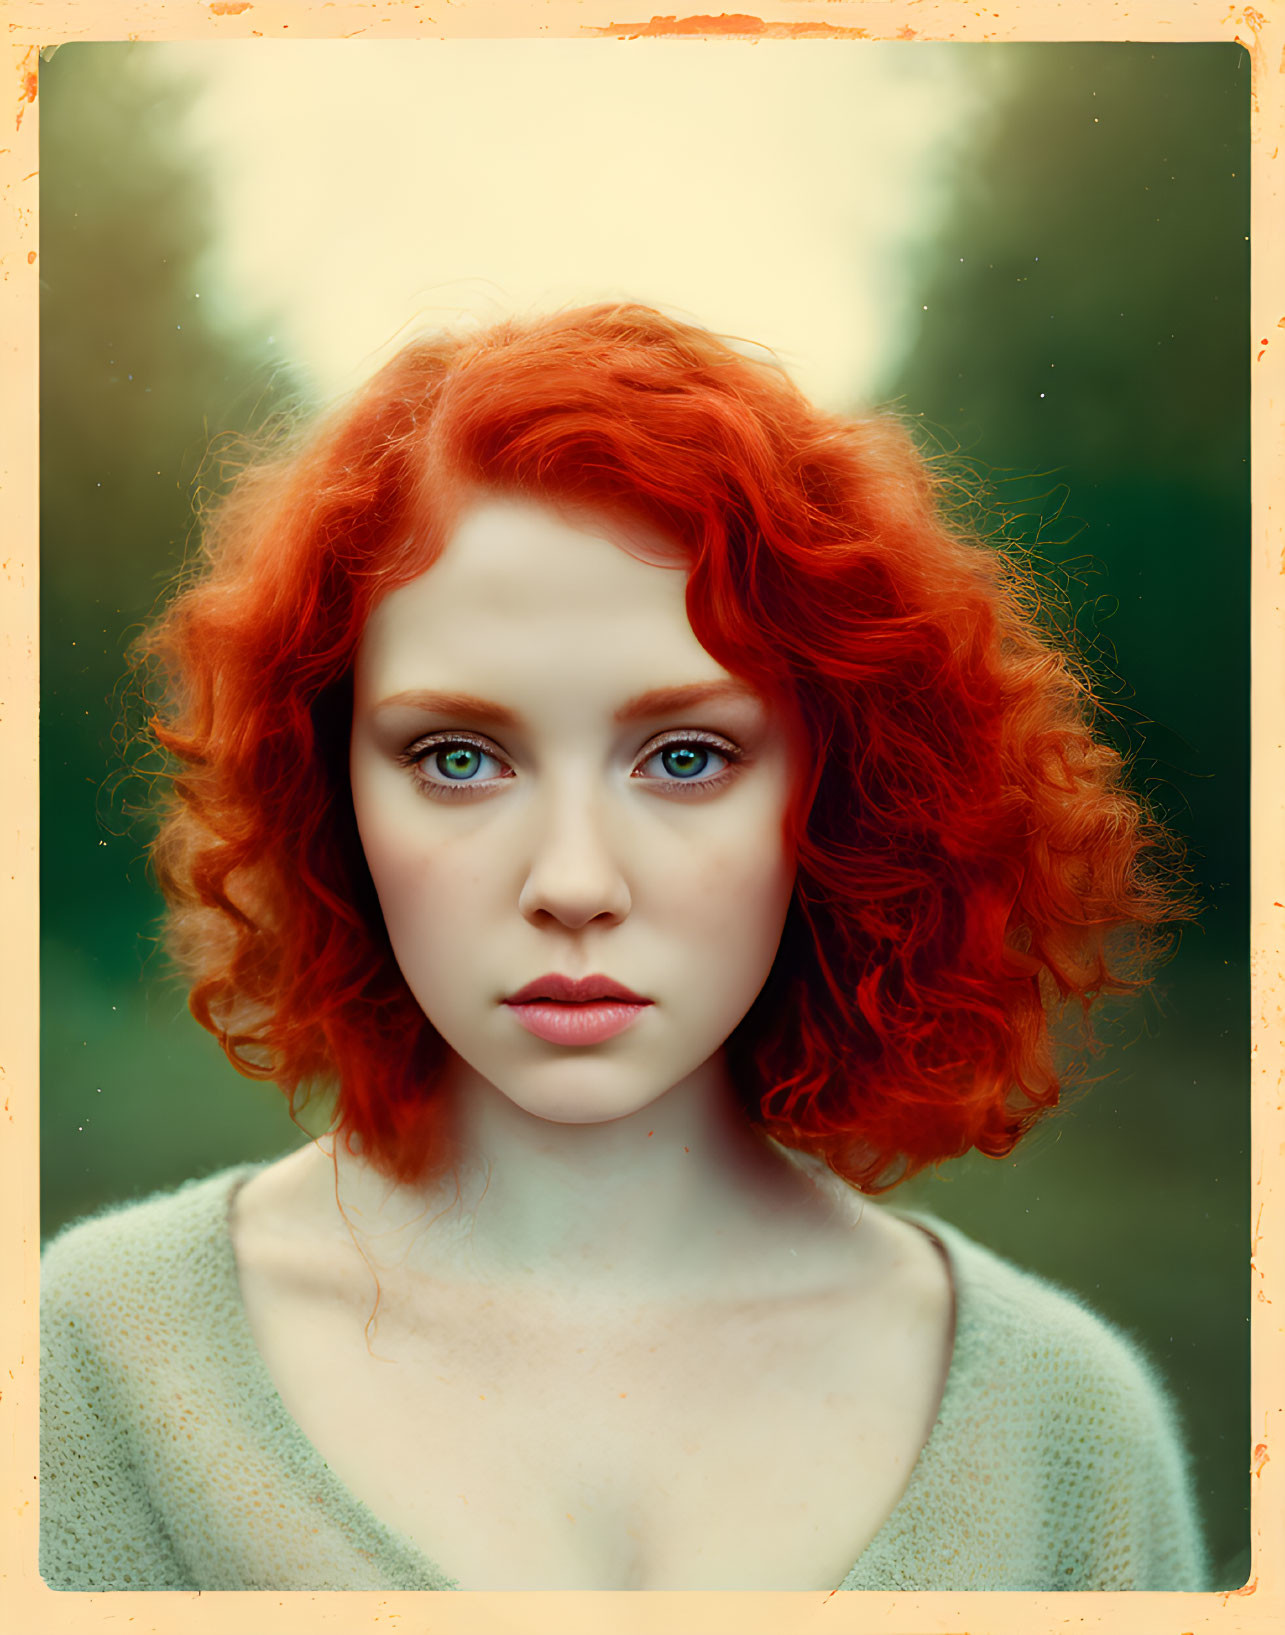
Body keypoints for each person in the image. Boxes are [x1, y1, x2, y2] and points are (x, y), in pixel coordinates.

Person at [40, 303, 1207, 1592]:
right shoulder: (93, 1370)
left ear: (841, 789)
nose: (574, 882)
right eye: (460, 758)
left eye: (687, 756)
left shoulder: (1065, 1428)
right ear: (329, 790)